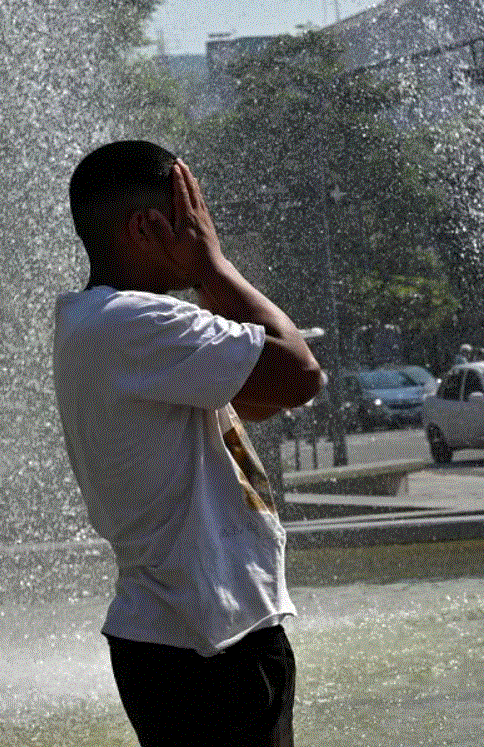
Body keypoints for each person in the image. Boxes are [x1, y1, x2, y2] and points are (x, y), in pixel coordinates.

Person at [52, 141, 322, 746]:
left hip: (193, 635)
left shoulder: (107, 326)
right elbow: (301, 376)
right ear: (149, 227)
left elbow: (260, 399)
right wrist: (213, 269)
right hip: (205, 645)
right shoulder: (128, 322)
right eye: (193, 219)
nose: (204, 231)